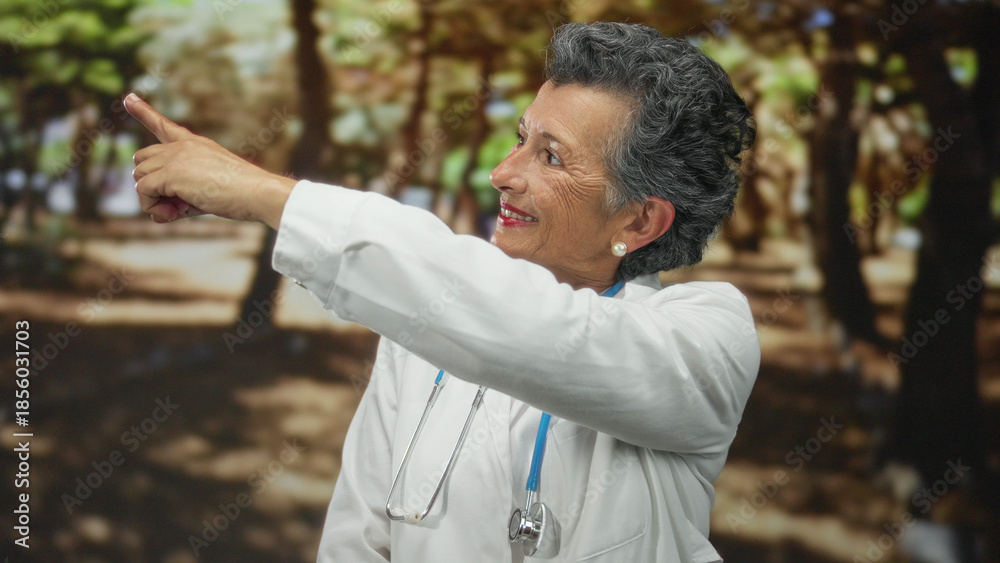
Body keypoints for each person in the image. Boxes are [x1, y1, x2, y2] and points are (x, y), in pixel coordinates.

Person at [126, 21, 758, 562]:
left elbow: (543, 332)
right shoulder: (422, 335)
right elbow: (358, 539)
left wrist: (262, 193)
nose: (502, 173)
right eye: (520, 138)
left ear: (639, 222)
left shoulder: (707, 340)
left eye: (552, 157)